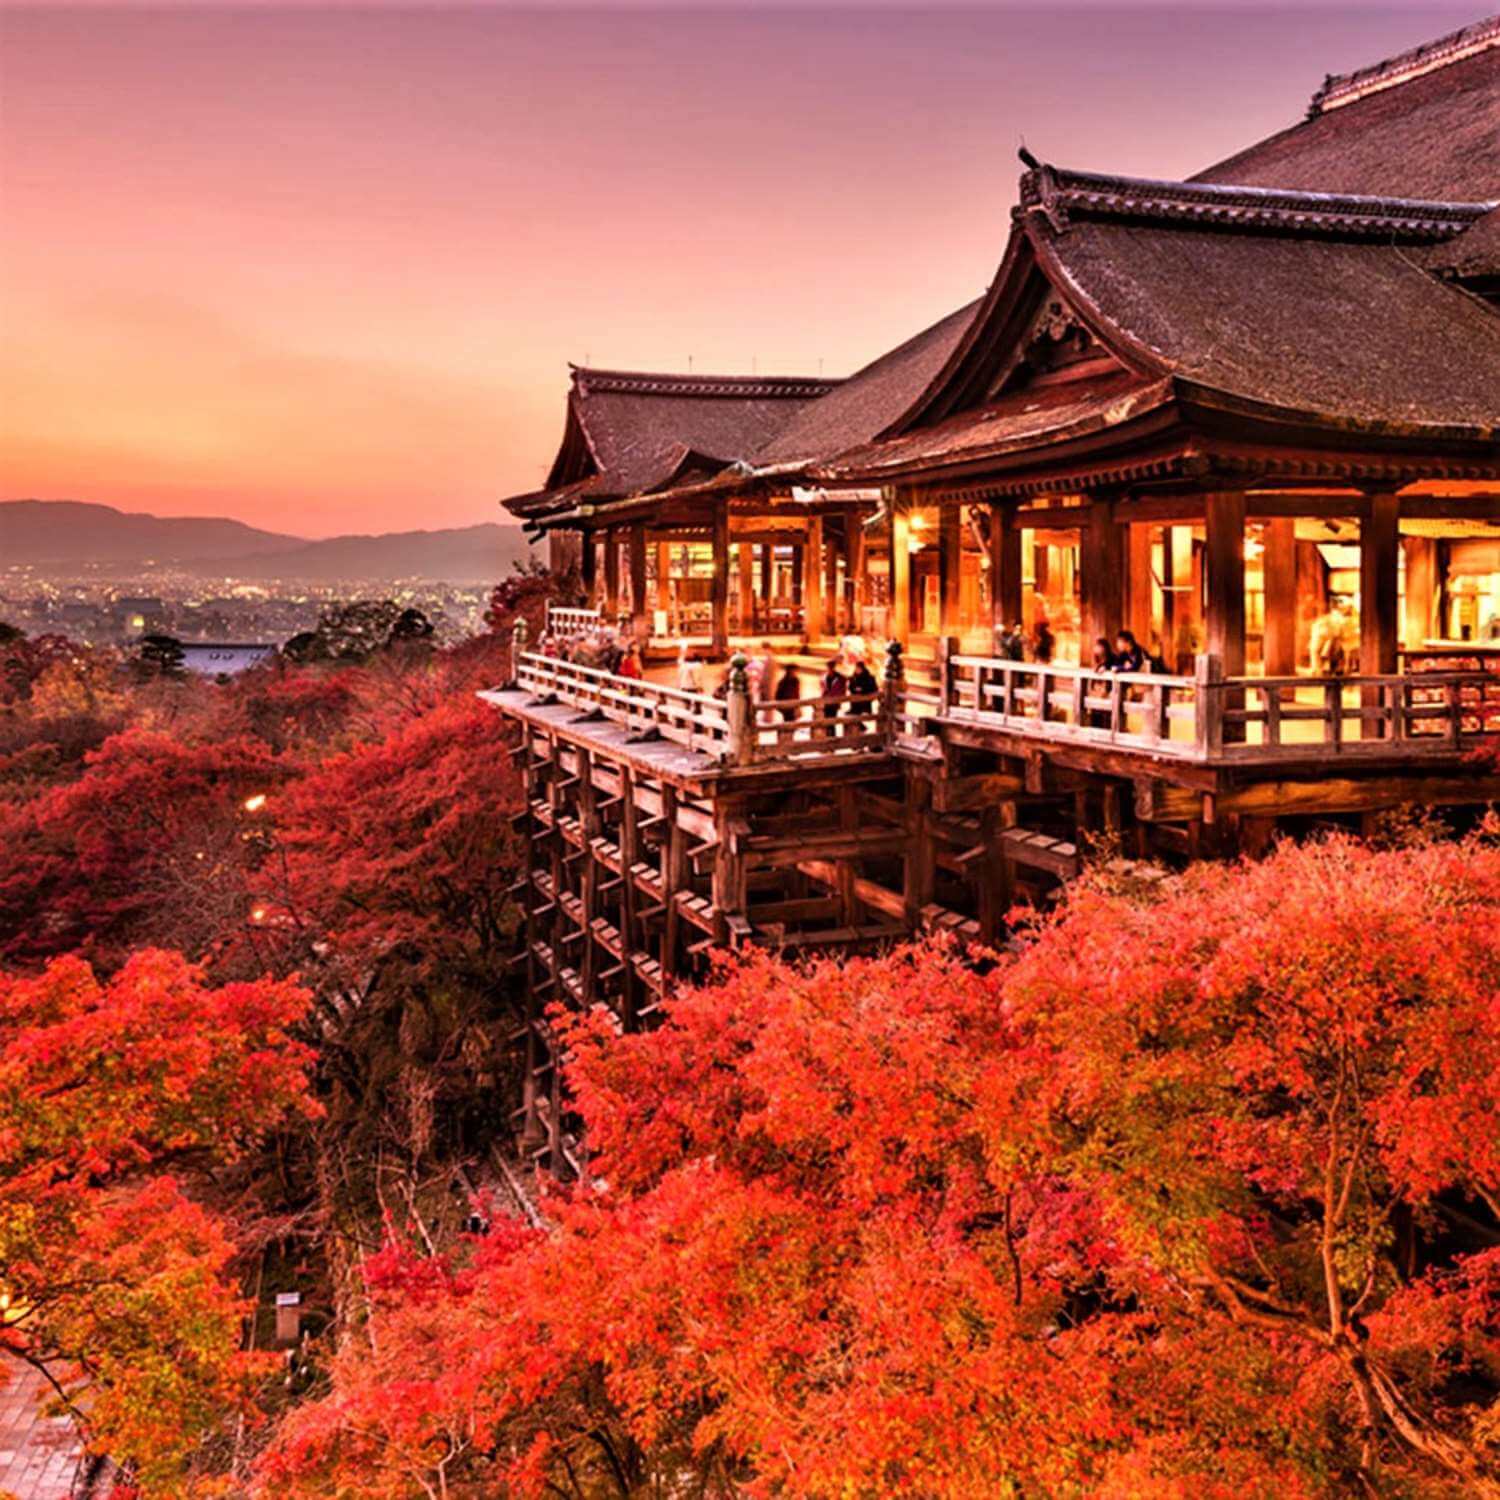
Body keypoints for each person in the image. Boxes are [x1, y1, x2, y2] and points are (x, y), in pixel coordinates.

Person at [846, 656, 879, 724]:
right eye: (856, 668)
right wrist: (855, 689)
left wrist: (862, 689)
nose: (857, 670)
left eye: (859, 668)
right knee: (853, 716)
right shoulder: (853, 677)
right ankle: (860, 726)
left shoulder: (869, 677)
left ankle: (861, 725)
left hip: (865, 699)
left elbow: (873, 688)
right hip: (855, 700)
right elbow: (850, 687)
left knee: (857, 716)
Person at [819, 659, 847, 738]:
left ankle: (832, 738)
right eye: (828, 667)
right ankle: (827, 737)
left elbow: (842, 690)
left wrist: (838, 699)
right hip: (825, 702)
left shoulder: (840, 678)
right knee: (826, 721)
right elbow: (822, 688)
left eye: (831, 667)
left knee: (832, 721)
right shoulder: (823, 677)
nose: (830, 668)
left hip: (834, 702)